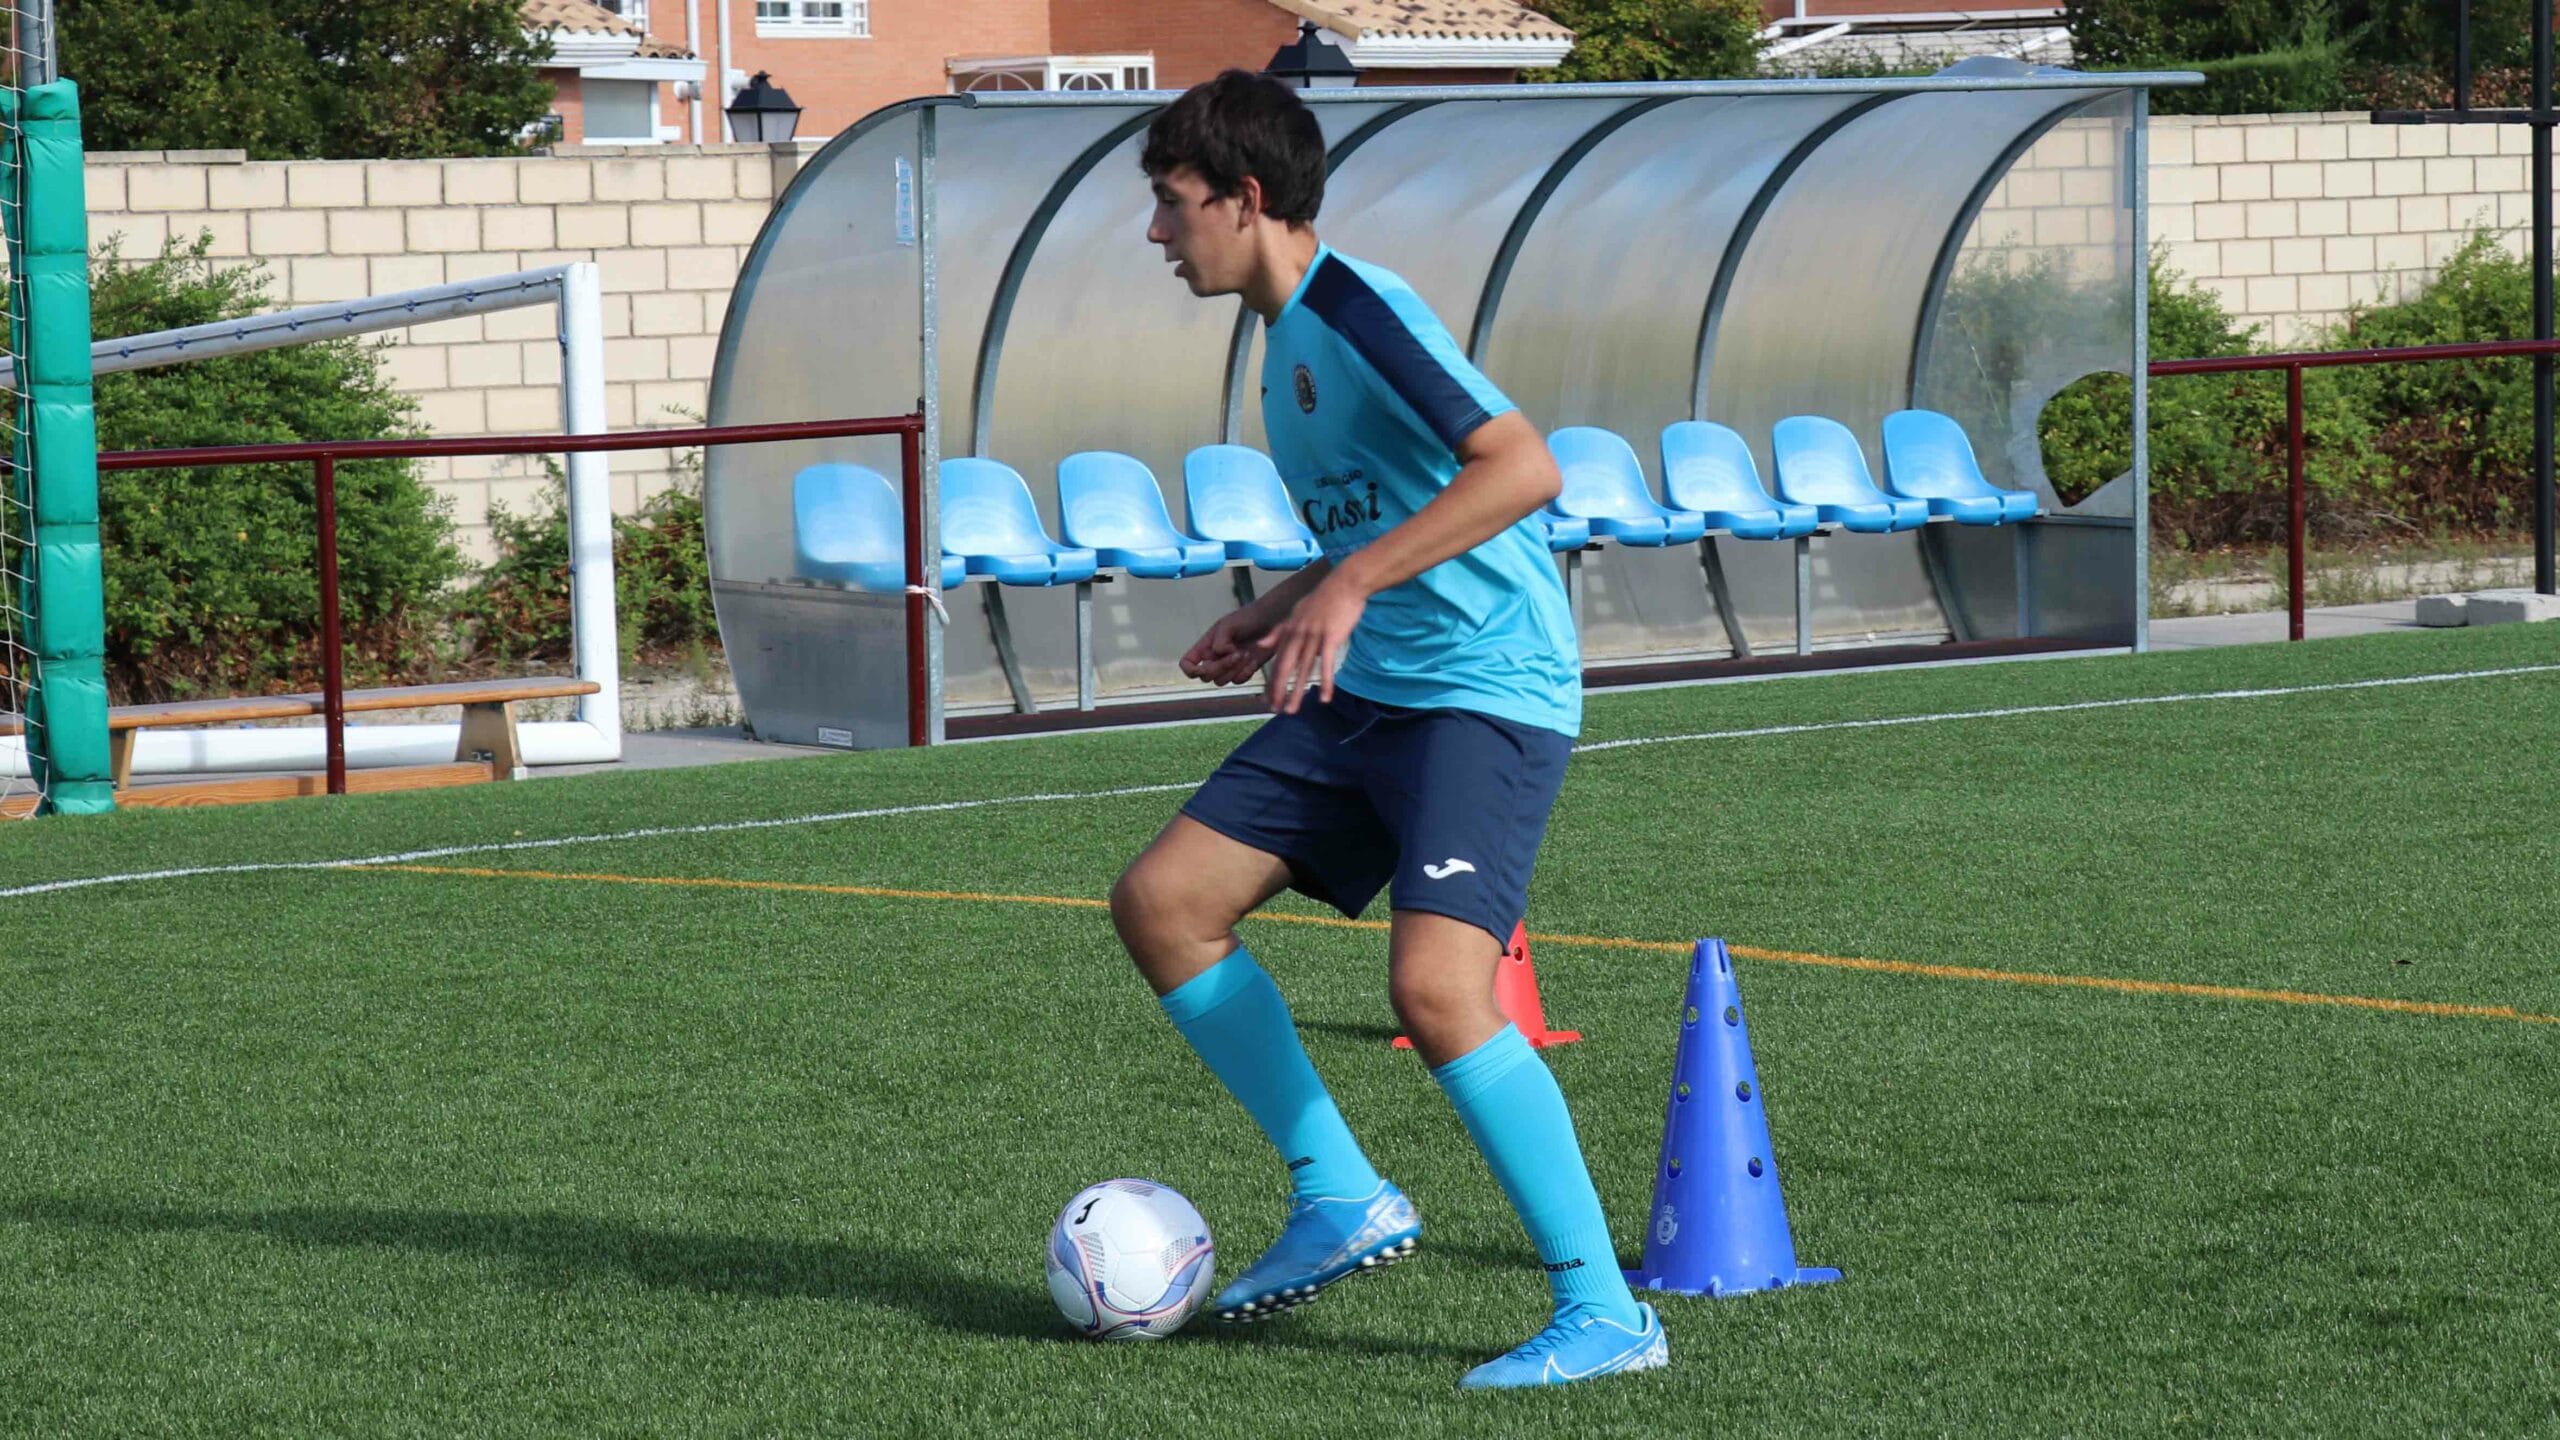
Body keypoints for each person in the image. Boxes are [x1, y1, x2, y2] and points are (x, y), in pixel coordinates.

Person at [1106, 70, 1665, 1391]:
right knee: (1165, 904)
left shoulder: (1356, 310)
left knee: (1436, 993)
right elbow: (1381, 516)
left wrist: (1346, 585)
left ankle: (1607, 1313)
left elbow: (1522, 467)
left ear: (1247, 201)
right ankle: (1341, 1193)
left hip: (1483, 693)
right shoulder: (1281, 329)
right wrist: (1287, 600)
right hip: (1371, 690)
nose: (1155, 235)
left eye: (1171, 206)